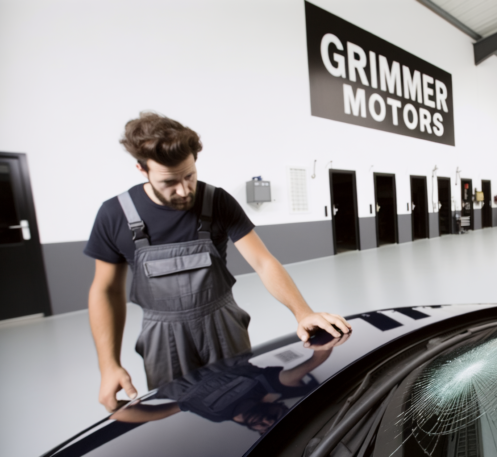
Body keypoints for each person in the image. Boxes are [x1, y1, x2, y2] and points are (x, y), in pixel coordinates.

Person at [84, 112, 351, 412]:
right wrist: (109, 365)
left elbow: (263, 261)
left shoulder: (218, 201)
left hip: (222, 326)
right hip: (162, 337)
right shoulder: (114, 215)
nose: (184, 190)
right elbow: (106, 290)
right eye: (169, 182)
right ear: (141, 169)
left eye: (189, 176)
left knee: (242, 399)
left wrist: (303, 313)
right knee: (180, 416)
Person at [110, 332, 349, 433]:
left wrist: (115, 407)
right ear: (278, 406)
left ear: (257, 432)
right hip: (216, 337)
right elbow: (312, 363)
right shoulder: (266, 386)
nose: (267, 421)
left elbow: (158, 412)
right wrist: (322, 340)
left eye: (266, 428)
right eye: (275, 418)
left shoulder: (214, 415)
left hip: (170, 356)